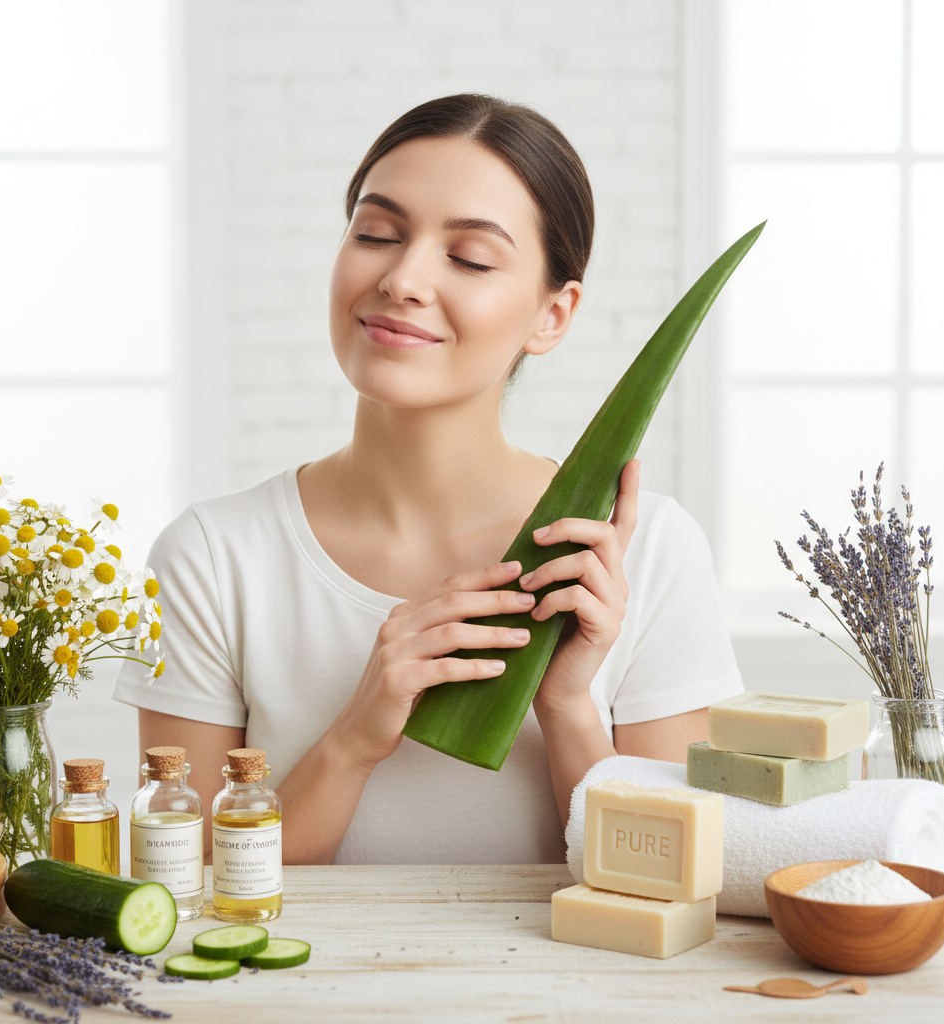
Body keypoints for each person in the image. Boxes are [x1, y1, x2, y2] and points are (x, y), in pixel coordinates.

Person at [113, 94, 742, 866]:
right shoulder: (213, 556)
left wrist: (568, 705)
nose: (402, 278)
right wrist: (352, 739)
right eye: (376, 234)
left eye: (470, 258)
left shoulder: (643, 556)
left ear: (553, 314)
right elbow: (195, 887)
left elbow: (674, 883)